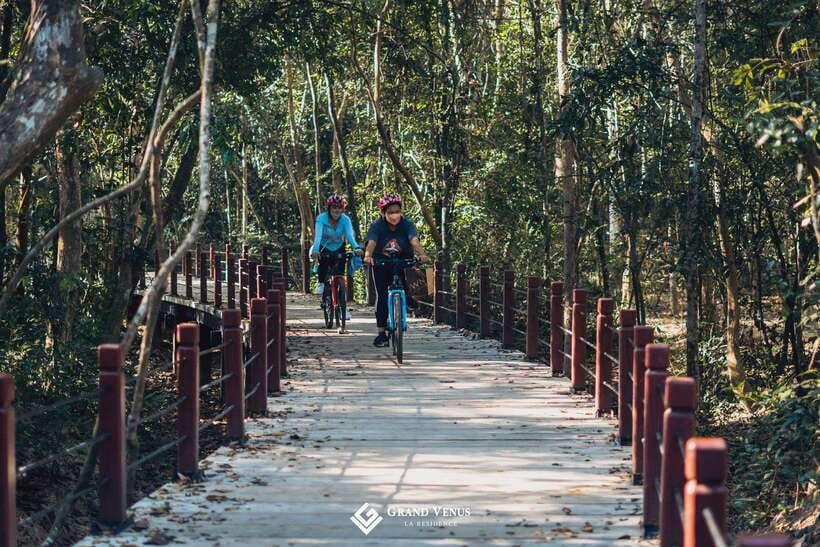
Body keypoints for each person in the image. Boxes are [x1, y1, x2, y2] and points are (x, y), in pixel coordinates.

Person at [363, 193, 430, 347]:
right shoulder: (377, 225)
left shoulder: (407, 224)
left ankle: (410, 301)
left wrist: (422, 254)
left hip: (402, 261)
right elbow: (372, 241)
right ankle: (381, 333)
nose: (394, 216)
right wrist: (368, 256)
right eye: (390, 212)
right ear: (383, 213)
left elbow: (413, 240)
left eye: (397, 212)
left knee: (409, 285)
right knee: (381, 296)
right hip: (381, 262)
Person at [310, 194, 363, 320]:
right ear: (329, 208)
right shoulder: (321, 219)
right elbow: (317, 237)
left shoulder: (345, 220)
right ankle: (322, 284)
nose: (336, 210)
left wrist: (356, 248)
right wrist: (316, 250)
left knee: (340, 276)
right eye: (334, 207)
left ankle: (343, 308)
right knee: (323, 266)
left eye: (339, 208)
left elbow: (350, 236)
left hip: (339, 246)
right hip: (323, 246)